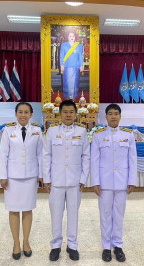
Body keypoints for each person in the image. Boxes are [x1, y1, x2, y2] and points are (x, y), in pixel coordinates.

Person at [43, 99, 90, 261]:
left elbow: (86, 156)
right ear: (60, 114)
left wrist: (83, 178)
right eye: (65, 112)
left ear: (76, 114)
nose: (68, 115)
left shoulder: (82, 132)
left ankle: (72, 245)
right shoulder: (52, 132)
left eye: (71, 112)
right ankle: (55, 245)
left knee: (73, 214)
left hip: (75, 181)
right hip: (56, 181)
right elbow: (46, 156)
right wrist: (47, 179)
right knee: (56, 214)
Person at [90, 103, 137, 262]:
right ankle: (105, 247)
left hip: (122, 182)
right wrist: (95, 182)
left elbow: (132, 160)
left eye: (116, 113)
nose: (113, 116)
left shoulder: (128, 135)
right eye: (110, 113)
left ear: (120, 116)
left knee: (119, 215)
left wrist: (132, 180)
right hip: (104, 182)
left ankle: (117, 245)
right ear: (106, 117)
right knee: (105, 215)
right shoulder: (98, 135)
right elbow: (94, 161)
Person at [0, 102, 43, 260]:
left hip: (30, 176)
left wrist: (41, 174)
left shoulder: (37, 130)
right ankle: (16, 243)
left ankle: (26, 242)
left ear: (31, 115)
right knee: (13, 209)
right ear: (16, 114)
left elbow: (40, 154)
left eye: (26, 112)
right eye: (20, 112)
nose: (23, 115)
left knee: (27, 209)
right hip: (12, 177)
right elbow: (3, 154)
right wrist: (3, 176)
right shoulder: (8, 130)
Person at [60, 31, 84, 100]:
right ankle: (68, 97)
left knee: (75, 81)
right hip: (67, 67)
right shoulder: (64, 45)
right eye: (70, 36)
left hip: (75, 67)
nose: (71, 38)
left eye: (73, 36)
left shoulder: (79, 46)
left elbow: (80, 56)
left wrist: (81, 65)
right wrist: (62, 65)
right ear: (67, 37)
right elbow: (62, 56)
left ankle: (73, 96)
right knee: (67, 82)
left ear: (75, 37)